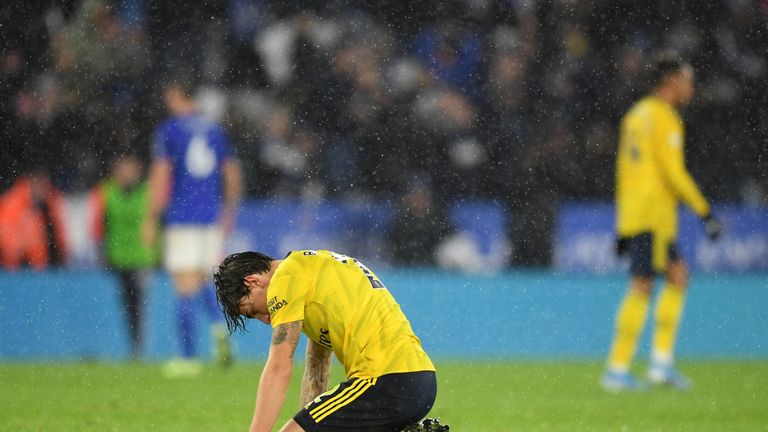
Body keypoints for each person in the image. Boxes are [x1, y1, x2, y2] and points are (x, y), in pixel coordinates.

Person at [213, 249, 445, 432]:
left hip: (384, 381)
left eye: (253, 311)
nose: (265, 320)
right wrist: (310, 422)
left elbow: (279, 366)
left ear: (252, 281)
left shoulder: (286, 277)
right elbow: (318, 370)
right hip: (417, 380)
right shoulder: (315, 272)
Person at [602, 52, 722, 391]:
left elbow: (625, 171)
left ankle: (657, 364)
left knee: (676, 276)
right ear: (671, 82)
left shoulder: (636, 115)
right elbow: (673, 172)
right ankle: (619, 368)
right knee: (643, 286)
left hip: (637, 213)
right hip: (654, 216)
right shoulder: (664, 117)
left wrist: (624, 221)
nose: (691, 87)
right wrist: (705, 211)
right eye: (687, 80)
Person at [146, 76, 243, 377]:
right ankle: (219, 330)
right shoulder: (214, 130)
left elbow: (161, 174)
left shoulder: (170, 131)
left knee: (184, 285)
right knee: (202, 280)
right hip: (210, 218)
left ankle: (188, 359)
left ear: (176, 94)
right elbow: (232, 172)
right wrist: (228, 211)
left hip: (183, 217)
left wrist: (151, 218)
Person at [90, 154, 159, 359]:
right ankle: (132, 348)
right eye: (123, 168)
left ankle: (140, 349)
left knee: (140, 303)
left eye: (131, 168)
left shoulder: (148, 192)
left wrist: (158, 252)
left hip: (142, 257)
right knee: (126, 304)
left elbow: (157, 224)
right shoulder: (105, 192)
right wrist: (101, 251)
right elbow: (98, 225)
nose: (128, 173)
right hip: (118, 257)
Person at [0, 168, 68, 270]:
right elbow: (8, 242)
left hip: (44, 267)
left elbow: (59, 236)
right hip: (19, 269)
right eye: (41, 183)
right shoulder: (13, 203)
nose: (44, 188)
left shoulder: (51, 202)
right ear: (31, 181)